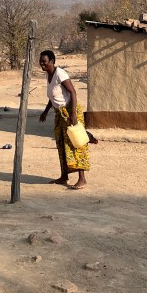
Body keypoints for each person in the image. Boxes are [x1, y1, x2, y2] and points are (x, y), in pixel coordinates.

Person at [37, 50, 90, 189]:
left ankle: (82, 179)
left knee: (75, 143)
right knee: (60, 143)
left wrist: (72, 114)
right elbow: (53, 97)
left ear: (52, 61)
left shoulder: (60, 74)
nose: (42, 64)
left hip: (69, 111)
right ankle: (64, 176)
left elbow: (73, 92)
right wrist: (45, 111)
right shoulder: (48, 75)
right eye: (41, 61)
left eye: (44, 61)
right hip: (59, 113)